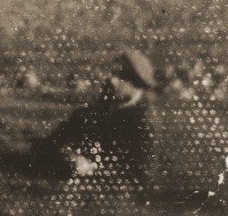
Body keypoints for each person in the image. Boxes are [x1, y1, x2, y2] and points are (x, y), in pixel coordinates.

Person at [34, 49, 160, 180]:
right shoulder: (102, 104)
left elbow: (141, 174)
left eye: (121, 76)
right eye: (113, 73)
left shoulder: (145, 122)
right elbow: (56, 139)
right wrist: (67, 154)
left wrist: (92, 169)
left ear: (137, 83)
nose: (112, 80)